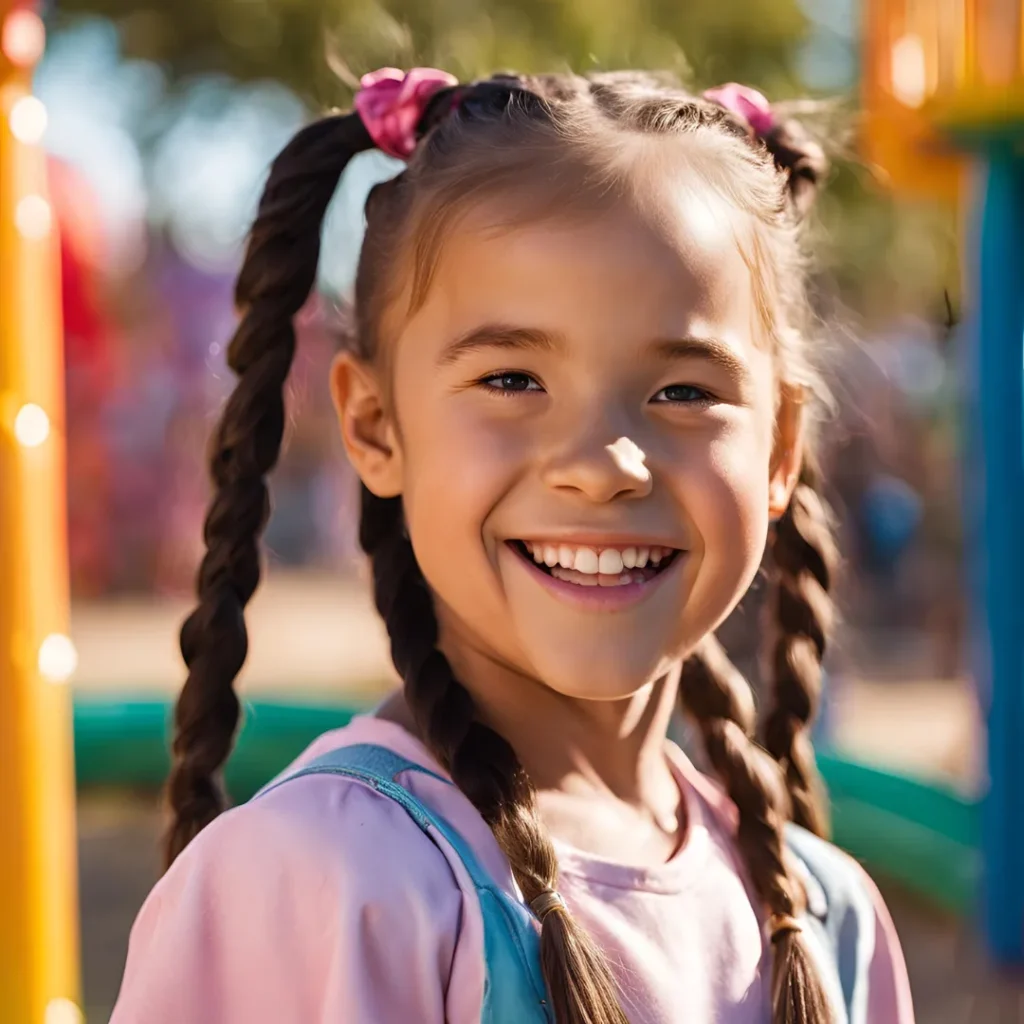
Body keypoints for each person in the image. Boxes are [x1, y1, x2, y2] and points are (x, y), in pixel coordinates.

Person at [111, 68, 914, 1024]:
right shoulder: (332, 882)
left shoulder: (825, 918)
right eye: (512, 379)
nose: (605, 465)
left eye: (684, 392)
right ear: (375, 425)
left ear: (781, 448)